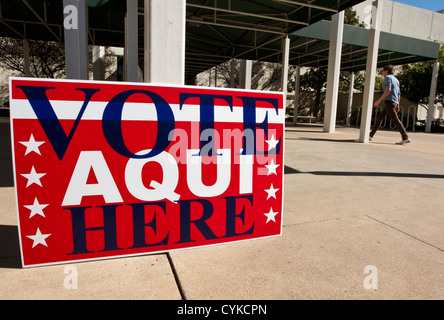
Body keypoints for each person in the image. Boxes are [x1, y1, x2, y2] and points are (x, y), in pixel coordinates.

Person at [369, 65, 410, 145]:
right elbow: (398, 93)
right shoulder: (396, 80)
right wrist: (398, 104)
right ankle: (370, 135)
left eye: (383, 71)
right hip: (393, 102)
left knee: (395, 120)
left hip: (389, 102)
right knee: (380, 118)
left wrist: (379, 100)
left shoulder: (388, 78)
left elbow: (388, 89)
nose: (382, 73)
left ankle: (405, 137)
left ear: (386, 71)